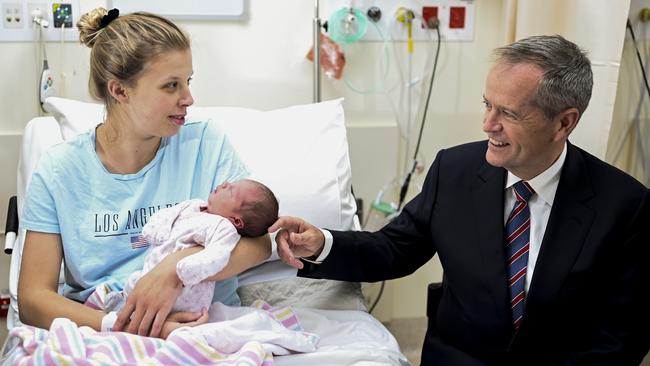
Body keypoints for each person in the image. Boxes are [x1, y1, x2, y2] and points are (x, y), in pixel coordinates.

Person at [270, 35, 650, 365]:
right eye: (488, 104)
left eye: (509, 113)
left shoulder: (625, 206)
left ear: (564, 123)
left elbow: (621, 336)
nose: (488, 124)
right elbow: (396, 248)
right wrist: (323, 243)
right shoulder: (454, 171)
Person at [17, 8, 271, 339]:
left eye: (188, 81)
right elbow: (33, 299)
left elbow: (261, 244)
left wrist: (174, 271)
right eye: (171, 86)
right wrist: (123, 326)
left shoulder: (205, 143)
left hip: (204, 326)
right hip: (103, 330)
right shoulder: (59, 170)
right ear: (120, 91)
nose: (188, 98)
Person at [87, 179, 278, 315]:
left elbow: (218, 254)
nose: (225, 183)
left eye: (231, 191)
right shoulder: (193, 206)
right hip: (152, 269)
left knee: (181, 303)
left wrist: (187, 268)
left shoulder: (223, 228)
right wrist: (156, 230)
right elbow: (169, 215)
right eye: (229, 183)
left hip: (188, 285)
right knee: (135, 283)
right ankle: (122, 305)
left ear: (236, 220)